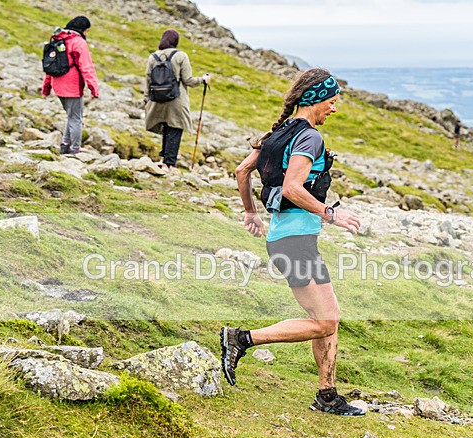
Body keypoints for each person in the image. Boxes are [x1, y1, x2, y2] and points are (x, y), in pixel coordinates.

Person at [221, 68, 364, 417]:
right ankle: (241, 339)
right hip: (296, 241)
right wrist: (331, 214)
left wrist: (251, 212)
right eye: (331, 102)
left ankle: (327, 395)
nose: (334, 109)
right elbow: (292, 189)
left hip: (285, 238)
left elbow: (242, 171)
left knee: (328, 316)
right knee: (326, 322)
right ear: (315, 99)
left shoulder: (278, 133)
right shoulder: (309, 138)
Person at [145, 29, 210, 170]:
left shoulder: (153, 57)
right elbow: (188, 80)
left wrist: (146, 99)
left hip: (157, 99)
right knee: (175, 128)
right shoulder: (180, 56)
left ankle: (163, 158)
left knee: (165, 128)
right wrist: (203, 80)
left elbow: (148, 80)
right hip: (176, 99)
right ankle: (169, 162)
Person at [41, 16, 99, 155]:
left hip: (58, 86)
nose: (86, 34)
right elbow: (86, 67)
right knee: (76, 119)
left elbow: (50, 66)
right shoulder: (78, 42)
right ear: (82, 29)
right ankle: (75, 150)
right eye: (86, 31)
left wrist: (46, 88)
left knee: (71, 116)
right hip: (72, 87)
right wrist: (94, 89)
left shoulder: (59, 39)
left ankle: (65, 145)